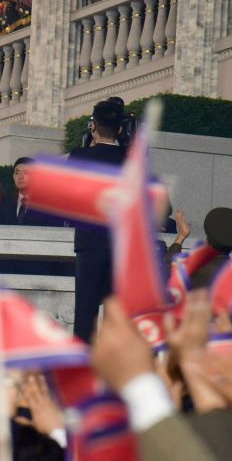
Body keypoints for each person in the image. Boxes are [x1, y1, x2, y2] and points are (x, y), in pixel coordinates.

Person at [68, 98, 130, 341]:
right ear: (121, 129)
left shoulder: (79, 156)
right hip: (122, 246)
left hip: (89, 241)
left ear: (93, 125)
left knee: (85, 314)